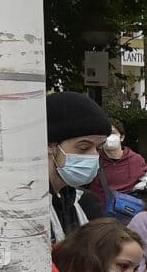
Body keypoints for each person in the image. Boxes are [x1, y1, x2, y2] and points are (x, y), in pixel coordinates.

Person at [47, 91, 114, 240]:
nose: (94, 156)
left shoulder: (86, 203)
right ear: (51, 145)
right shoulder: (25, 207)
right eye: (83, 147)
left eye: (99, 148)